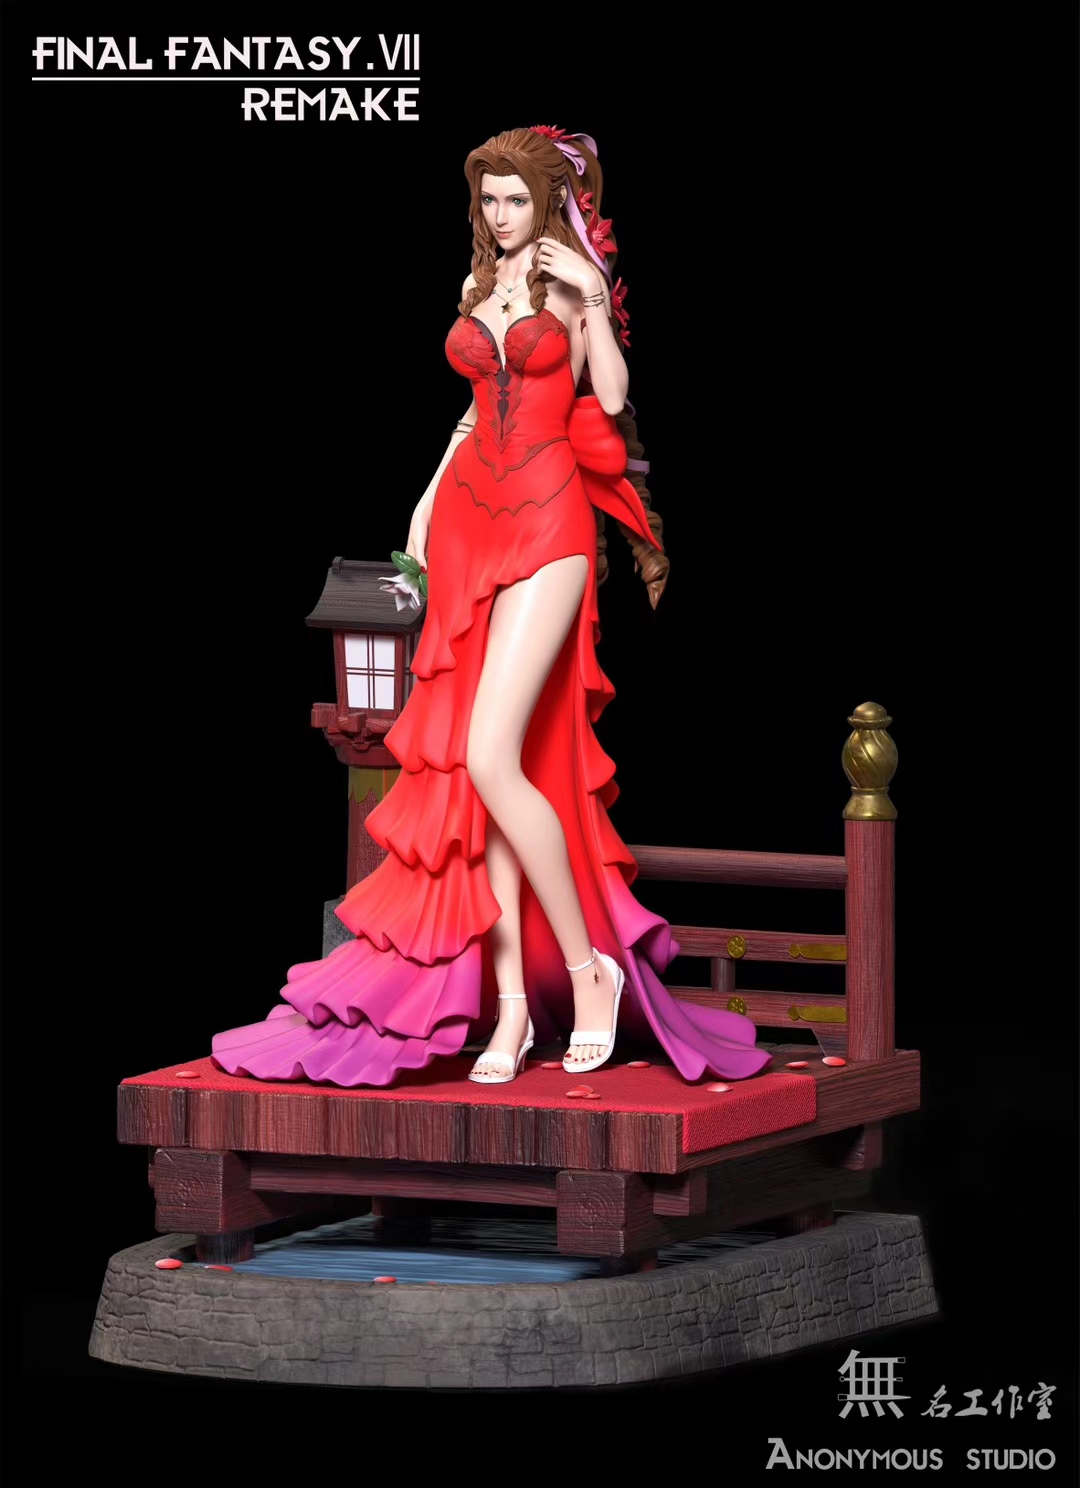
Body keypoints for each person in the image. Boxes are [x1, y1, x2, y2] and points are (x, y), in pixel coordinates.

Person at [210, 126, 770, 1088]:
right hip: (470, 520)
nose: (502, 214)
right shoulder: (478, 285)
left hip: (550, 519)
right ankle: (509, 1007)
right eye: (491, 199)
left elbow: (611, 396)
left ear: (549, 201)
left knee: (489, 754)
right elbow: (471, 411)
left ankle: (590, 974)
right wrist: (425, 505)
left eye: (517, 198)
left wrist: (593, 294)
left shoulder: (569, 286)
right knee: (482, 779)